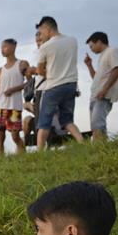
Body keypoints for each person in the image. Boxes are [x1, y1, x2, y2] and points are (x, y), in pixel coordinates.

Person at [35, 16, 85, 151]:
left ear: (47, 28)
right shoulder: (72, 41)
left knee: (44, 122)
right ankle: (82, 143)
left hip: (53, 87)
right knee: (67, 120)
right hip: (71, 85)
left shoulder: (45, 47)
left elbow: (39, 70)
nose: (41, 35)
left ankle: (39, 152)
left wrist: (51, 74)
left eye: (41, 32)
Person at [83, 32, 118, 142]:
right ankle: (103, 149)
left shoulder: (112, 51)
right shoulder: (102, 56)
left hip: (103, 95)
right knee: (95, 124)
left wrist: (104, 89)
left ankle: (99, 149)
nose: (91, 49)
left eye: (91, 46)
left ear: (99, 42)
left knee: (97, 123)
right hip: (96, 95)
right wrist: (89, 65)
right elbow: (97, 78)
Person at [0, 38, 29, 155]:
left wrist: (13, 89)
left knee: (15, 136)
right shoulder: (0, 70)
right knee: (0, 136)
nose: (2, 50)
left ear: (13, 47)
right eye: (1, 47)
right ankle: (0, 159)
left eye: (5, 47)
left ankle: (23, 155)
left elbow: (30, 82)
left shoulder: (22, 64)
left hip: (14, 106)